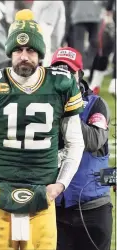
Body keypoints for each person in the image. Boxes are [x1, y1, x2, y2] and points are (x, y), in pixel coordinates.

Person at [0, 9, 84, 250]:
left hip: (43, 188)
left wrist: (60, 184)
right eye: (18, 50)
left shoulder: (61, 83)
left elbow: (75, 143)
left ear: (40, 53)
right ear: (10, 52)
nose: (24, 56)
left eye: (30, 50)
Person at [51, 47, 112, 250]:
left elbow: (95, 140)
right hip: (56, 208)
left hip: (93, 207)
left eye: (68, 71)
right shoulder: (41, 106)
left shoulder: (96, 104)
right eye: (58, 70)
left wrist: (67, 109)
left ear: (79, 75)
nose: (63, 76)